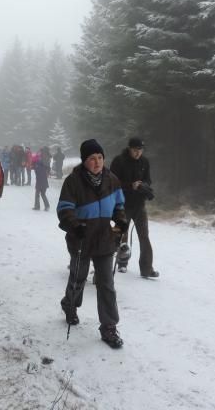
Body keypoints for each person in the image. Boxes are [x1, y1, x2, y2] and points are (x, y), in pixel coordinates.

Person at [57, 139, 128, 349]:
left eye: (99, 157)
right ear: (84, 160)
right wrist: (75, 225)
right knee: (78, 278)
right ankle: (69, 304)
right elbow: (64, 208)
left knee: (106, 284)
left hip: (105, 238)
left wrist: (121, 220)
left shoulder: (112, 179)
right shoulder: (73, 181)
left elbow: (119, 204)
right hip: (81, 238)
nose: (97, 162)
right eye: (91, 159)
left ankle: (109, 327)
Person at [109, 136, 158, 278]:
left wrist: (144, 185)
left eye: (141, 150)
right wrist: (131, 185)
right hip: (122, 204)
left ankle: (147, 269)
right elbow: (112, 182)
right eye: (136, 150)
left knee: (144, 237)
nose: (138, 153)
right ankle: (122, 263)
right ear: (129, 148)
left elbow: (148, 179)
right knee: (120, 234)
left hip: (139, 204)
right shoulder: (119, 161)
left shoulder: (145, 161)